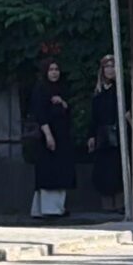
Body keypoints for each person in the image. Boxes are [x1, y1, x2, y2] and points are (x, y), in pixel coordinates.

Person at [29, 60, 77, 219]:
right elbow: (40, 114)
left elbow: (69, 111)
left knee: (61, 171)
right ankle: (48, 209)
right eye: (51, 70)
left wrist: (62, 103)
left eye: (57, 69)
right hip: (47, 136)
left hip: (62, 137)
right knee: (48, 172)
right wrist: (48, 135)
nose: (54, 73)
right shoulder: (40, 89)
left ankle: (57, 207)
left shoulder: (62, 88)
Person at [86, 55, 124, 215]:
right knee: (104, 169)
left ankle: (121, 203)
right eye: (107, 67)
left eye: (113, 66)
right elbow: (94, 117)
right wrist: (91, 136)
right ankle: (107, 204)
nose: (110, 70)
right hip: (103, 136)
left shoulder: (122, 89)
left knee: (118, 168)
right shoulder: (99, 92)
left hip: (120, 134)